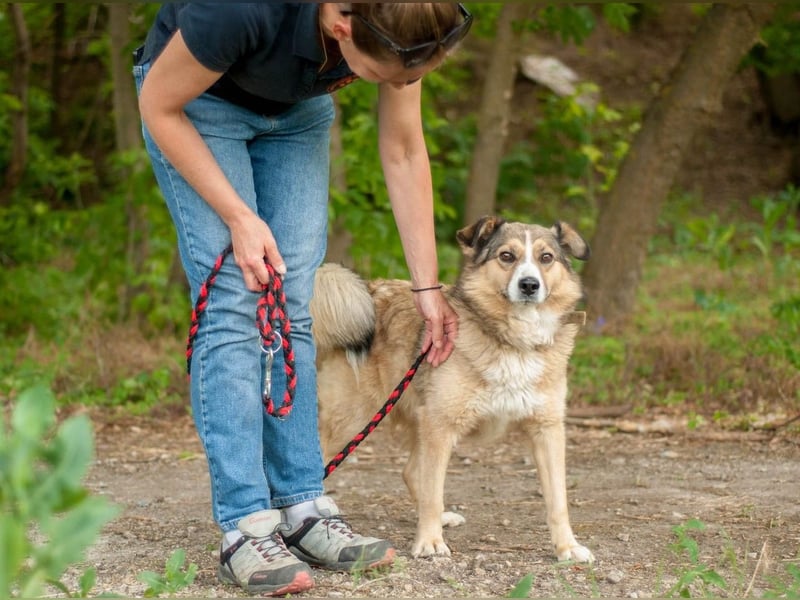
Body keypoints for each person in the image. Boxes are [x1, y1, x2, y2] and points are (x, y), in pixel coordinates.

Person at [134, 3, 470, 596]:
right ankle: (244, 525)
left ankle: (301, 506)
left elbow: (404, 150)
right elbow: (158, 106)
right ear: (343, 26)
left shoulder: (405, 19)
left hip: (294, 115)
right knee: (235, 303)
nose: (399, 86)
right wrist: (239, 217)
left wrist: (427, 288)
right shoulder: (240, 11)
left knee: (291, 301)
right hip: (194, 106)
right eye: (387, 75)